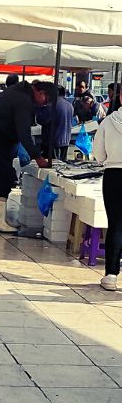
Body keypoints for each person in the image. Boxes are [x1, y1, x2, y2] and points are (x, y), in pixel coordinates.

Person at [0, 80, 52, 233]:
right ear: (40, 93)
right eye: (46, 100)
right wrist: (38, 157)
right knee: (4, 176)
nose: (44, 104)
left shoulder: (17, 91)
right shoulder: (24, 100)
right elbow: (24, 133)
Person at [94, 86, 122, 291]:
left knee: (116, 224)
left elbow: (99, 155)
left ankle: (111, 274)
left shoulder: (108, 122)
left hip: (114, 174)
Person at [37, 86, 74, 161]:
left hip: (53, 141)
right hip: (66, 140)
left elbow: (42, 120)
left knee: (53, 166)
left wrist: (39, 109)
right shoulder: (69, 105)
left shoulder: (52, 106)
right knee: (62, 164)